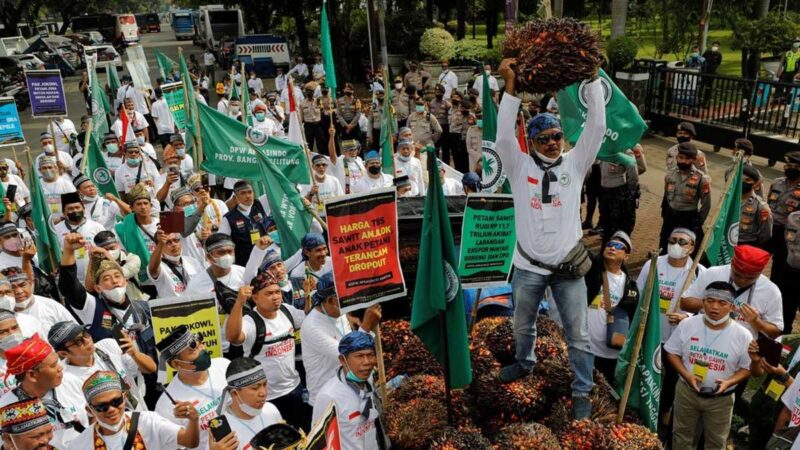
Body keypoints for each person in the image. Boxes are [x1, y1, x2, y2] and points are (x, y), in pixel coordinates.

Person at [493, 59, 604, 420]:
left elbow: (597, 127)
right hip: (527, 267)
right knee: (522, 325)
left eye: (557, 136)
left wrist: (592, 80)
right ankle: (525, 362)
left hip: (568, 269)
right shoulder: (519, 165)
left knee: (580, 336)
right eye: (544, 139)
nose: (553, 143)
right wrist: (511, 88)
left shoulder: (575, 163)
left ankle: (582, 392)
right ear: (534, 141)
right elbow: (503, 136)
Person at [665, 281, 755, 450]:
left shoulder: (743, 335)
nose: (714, 307)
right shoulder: (687, 324)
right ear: (703, 301)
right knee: (681, 437)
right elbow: (671, 352)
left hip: (720, 400)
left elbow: (747, 368)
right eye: (710, 301)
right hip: (687, 393)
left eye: (722, 303)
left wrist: (729, 382)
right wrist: (686, 375)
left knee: (716, 442)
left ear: (732, 307)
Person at [225, 272, 309, 430]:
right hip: (266, 398)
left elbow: (309, 319)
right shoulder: (250, 322)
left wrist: (310, 294)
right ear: (255, 298)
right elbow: (233, 337)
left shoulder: (287, 311)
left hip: (294, 389)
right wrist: (239, 303)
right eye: (269, 293)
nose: (276, 297)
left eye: (277, 292)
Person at [70, 370, 199, 450]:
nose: (111, 409)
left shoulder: (148, 422)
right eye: (101, 407)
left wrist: (193, 420)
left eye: (116, 401)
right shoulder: (80, 445)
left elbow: (189, 442)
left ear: (124, 397)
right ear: (89, 410)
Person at [0, 334, 88, 449]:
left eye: (57, 362)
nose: (60, 368)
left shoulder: (70, 382)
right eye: (53, 365)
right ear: (32, 375)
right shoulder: (6, 406)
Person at [681, 245, 783, 338]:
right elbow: (684, 303)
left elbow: (775, 332)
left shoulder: (771, 291)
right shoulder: (713, 273)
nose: (742, 280)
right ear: (731, 263)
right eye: (737, 274)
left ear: (760, 273)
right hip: (703, 337)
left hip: (741, 348)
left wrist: (757, 321)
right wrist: (711, 303)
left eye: (750, 278)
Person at [48, 321, 153, 411]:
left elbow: (151, 368)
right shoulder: (65, 380)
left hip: (142, 413)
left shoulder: (108, 345)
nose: (87, 340)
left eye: (85, 333)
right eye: (78, 341)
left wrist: (135, 354)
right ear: (63, 354)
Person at [154, 325, 229, 450]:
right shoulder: (166, 405)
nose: (202, 350)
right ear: (176, 364)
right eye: (193, 348)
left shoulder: (224, 366)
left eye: (200, 342)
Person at [312, 332, 388, 450]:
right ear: (343, 360)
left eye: (370, 355)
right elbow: (320, 443)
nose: (367, 362)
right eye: (359, 356)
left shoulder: (369, 381)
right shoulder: (329, 396)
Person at [585, 231, 639, 385]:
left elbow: (633, 319)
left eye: (618, 246)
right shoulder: (591, 272)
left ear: (626, 256)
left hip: (610, 355)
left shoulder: (631, 287)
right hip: (585, 348)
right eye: (609, 244)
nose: (612, 248)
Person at [212, 357, 283, 450]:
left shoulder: (271, 409)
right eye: (255, 388)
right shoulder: (222, 428)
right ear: (234, 393)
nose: (263, 393)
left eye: (264, 384)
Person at [658, 142, 711, 255]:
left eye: (687, 159)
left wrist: (699, 222)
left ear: (693, 160)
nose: (683, 161)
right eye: (680, 158)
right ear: (677, 157)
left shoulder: (701, 179)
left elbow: (706, 204)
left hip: (689, 218)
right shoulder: (670, 175)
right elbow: (667, 194)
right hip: (671, 216)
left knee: (688, 250)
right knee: (664, 245)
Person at [218, 181, 273, 266]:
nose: (248, 196)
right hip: (246, 263)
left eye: (250, 192)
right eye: (243, 193)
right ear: (235, 197)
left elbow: (275, 189)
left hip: (267, 259)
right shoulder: (229, 218)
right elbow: (221, 243)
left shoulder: (260, 204)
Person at [1, 267, 74, 330]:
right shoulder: (3, 316)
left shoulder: (51, 306)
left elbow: (74, 330)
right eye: (12, 288)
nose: (19, 291)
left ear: (30, 284)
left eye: (22, 285)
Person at [768, 151, 800, 287]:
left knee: (778, 269)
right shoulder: (777, 183)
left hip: (787, 235)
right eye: (787, 164)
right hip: (769, 230)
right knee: (755, 260)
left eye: (794, 166)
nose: (789, 168)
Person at [598, 149, 640, 243]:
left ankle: (619, 249)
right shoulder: (604, 149)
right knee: (606, 222)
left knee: (619, 224)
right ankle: (604, 248)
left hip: (618, 193)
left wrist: (628, 191)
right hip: (605, 192)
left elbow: (633, 173)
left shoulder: (625, 151)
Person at [148, 229, 204, 298]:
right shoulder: (160, 266)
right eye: (168, 242)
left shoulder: (193, 261)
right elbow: (153, 268)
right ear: (159, 247)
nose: (173, 244)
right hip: (174, 307)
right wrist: (161, 243)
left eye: (176, 240)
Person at [738, 165, 772, 248]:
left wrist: (754, 245)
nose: (743, 182)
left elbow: (766, 233)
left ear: (755, 184)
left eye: (747, 180)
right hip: (726, 241)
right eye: (740, 179)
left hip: (745, 245)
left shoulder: (760, 206)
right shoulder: (729, 198)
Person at [429, 84, 452, 165]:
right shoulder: (431, 103)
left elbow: (450, 115)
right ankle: (436, 164)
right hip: (435, 128)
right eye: (436, 92)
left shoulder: (447, 104)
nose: (438, 93)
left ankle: (446, 165)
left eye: (440, 92)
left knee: (445, 148)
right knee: (436, 147)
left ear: (443, 93)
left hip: (445, 127)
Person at [300, 84, 324, 152]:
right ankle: (310, 160)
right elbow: (301, 117)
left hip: (318, 125)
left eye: (310, 91)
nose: (309, 92)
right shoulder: (302, 103)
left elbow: (323, 113)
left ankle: (321, 157)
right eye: (307, 91)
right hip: (308, 126)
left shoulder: (319, 102)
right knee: (309, 144)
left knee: (321, 143)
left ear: (313, 92)